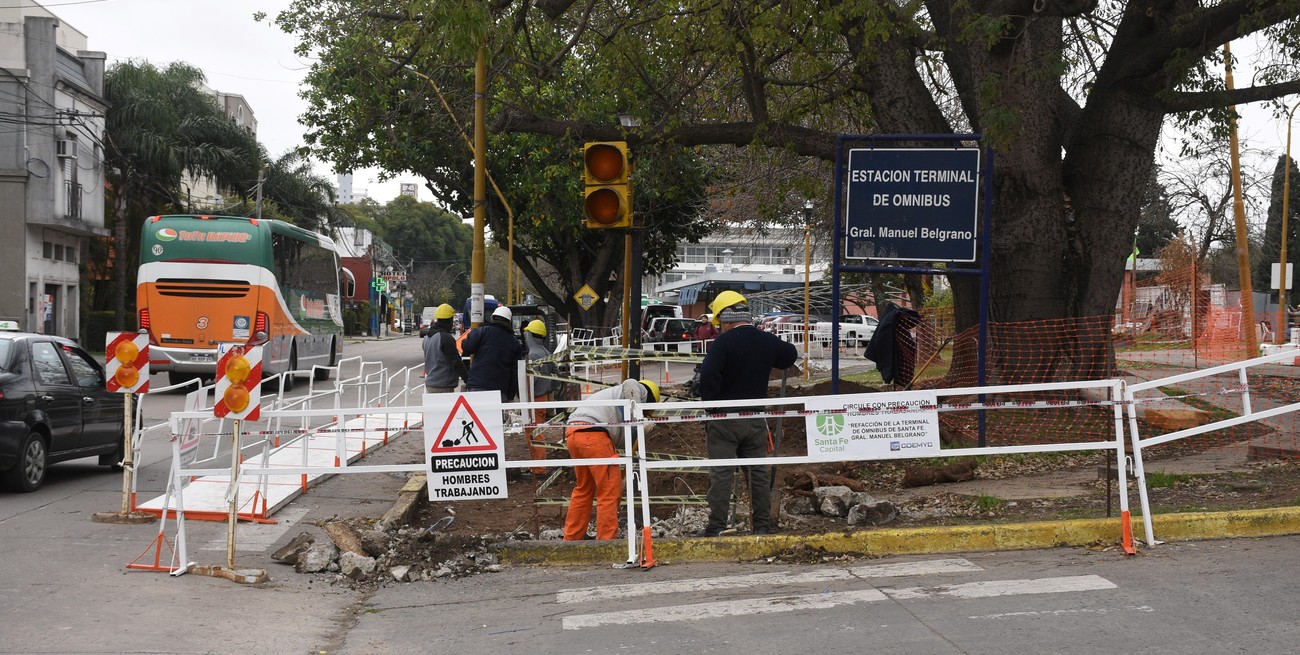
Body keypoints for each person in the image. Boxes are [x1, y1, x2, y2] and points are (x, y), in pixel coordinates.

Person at [694, 290, 798, 537]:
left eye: (719, 322)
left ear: (726, 320)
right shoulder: (765, 340)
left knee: (721, 474)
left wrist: (711, 407)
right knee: (757, 475)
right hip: (754, 419)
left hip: (724, 419)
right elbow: (789, 356)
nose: (718, 328)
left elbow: (708, 376)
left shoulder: (723, 343)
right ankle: (761, 526)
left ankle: (716, 526)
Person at [563, 378, 660, 541]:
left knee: (584, 488)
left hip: (575, 433)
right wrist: (639, 419)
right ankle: (606, 541)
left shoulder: (616, 404)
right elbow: (630, 383)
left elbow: (618, 441)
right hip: (594, 434)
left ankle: (572, 538)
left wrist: (639, 429)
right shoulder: (637, 390)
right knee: (609, 491)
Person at [461, 305, 524, 402]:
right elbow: (514, 372)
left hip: (477, 385)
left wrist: (471, 335)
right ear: (509, 322)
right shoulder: (514, 342)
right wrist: (510, 396)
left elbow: (467, 348)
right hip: (500, 390)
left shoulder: (483, 331)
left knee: (475, 416)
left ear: (492, 318)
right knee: (494, 417)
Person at [523, 319, 556, 475]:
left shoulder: (534, 354)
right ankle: (535, 466)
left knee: (535, 435)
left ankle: (538, 469)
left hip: (534, 399)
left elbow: (531, 379)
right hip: (543, 398)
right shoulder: (545, 353)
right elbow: (556, 374)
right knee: (535, 434)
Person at [421, 304, 469, 393]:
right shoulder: (445, 338)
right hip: (443, 387)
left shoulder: (427, 337)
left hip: (430, 385)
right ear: (449, 321)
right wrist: (468, 380)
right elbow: (456, 361)